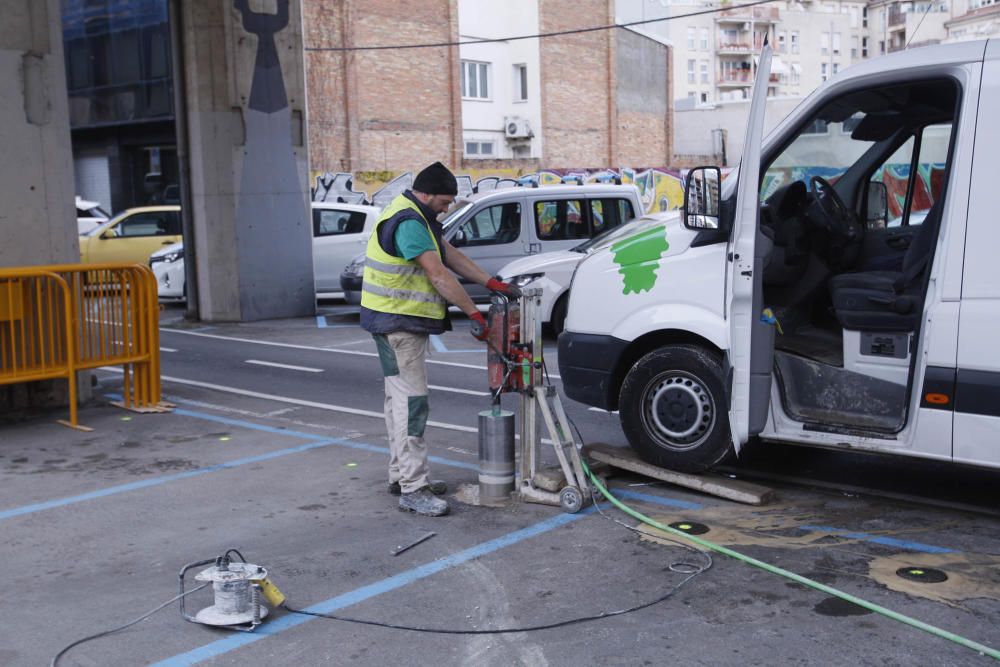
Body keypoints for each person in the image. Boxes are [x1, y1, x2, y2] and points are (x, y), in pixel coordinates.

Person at [360, 162, 521, 517]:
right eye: (445, 201)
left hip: (390, 321)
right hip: (398, 325)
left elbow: (449, 255)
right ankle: (413, 489)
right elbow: (439, 274)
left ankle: (401, 476)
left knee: (396, 402)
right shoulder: (409, 223)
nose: (448, 207)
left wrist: (489, 282)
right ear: (427, 193)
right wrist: (475, 314)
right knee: (412, 406)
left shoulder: (413, 214)